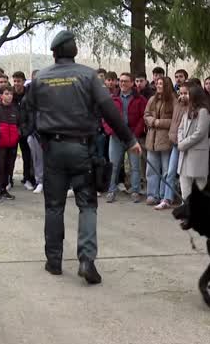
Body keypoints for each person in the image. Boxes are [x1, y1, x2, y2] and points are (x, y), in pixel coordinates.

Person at [20, 30, 140, 284]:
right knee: (87, 205)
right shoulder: (87, 76)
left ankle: (54, 262)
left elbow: (26, 114)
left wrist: (40, 139)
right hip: (81, 149)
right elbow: (109, 109)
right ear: (73, 49)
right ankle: (86, 261)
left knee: (54, 206)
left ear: (54, 52)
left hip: (52, 150)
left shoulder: (40, 78)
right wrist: (129, 140)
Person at [105, 73, 148, 203]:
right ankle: (111, 191)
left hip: (132, 137)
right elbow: (105, 116)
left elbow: (143, 117)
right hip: (116, 137)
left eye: (126, 81)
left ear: (131, 83)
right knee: (114, 165)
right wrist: (110, 131)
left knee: (135, 166)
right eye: (121, 81)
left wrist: (136, 133)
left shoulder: (139, 99)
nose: (123, 83)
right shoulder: (112, 98)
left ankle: (135, 191)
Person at [155, 83, 189, 210]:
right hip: (175, 142)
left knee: (184, 174)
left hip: (186, 144)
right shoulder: (177, 104)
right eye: (181, 93)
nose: (182, 96)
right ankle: (167, 199)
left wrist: (188, 103)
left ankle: (186, 201)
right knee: (170, 172)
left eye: (186, 93)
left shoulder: (193, 106)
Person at [177, 82, 210, 198]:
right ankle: (187, 210)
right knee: (184, 185)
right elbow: (180, 128)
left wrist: (184, 144)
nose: (185, 96)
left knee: (200, 186)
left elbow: (200, 133)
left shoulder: (203, 111)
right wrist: (180, 140)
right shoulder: (188, 110)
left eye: (187, 93)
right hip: (185, 153)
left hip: (197, 154)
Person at [143, 76, 175, 205]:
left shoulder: (173, 100)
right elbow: (146, 114)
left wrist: (158, 122)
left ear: (167, 85)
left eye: (161, 83)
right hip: (152, 139)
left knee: (166, 170)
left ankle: (163, 195)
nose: (158, 86)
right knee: (151, 169)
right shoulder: (152, 99)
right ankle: (152, 194)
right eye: (157, 83)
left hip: (166, 139)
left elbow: (175, 120)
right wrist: (151, 121)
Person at [12, 71, 35, 191]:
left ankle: (27, 179)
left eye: (19, 81)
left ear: (24, 81)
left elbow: (32, 114)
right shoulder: (10, 94)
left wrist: (27, 130)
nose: (16, 83)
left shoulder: (29, 95)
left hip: (25, 130)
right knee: (10, 156)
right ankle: (8, 180)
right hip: (12, 130)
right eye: (15, 81)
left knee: (27, 156)